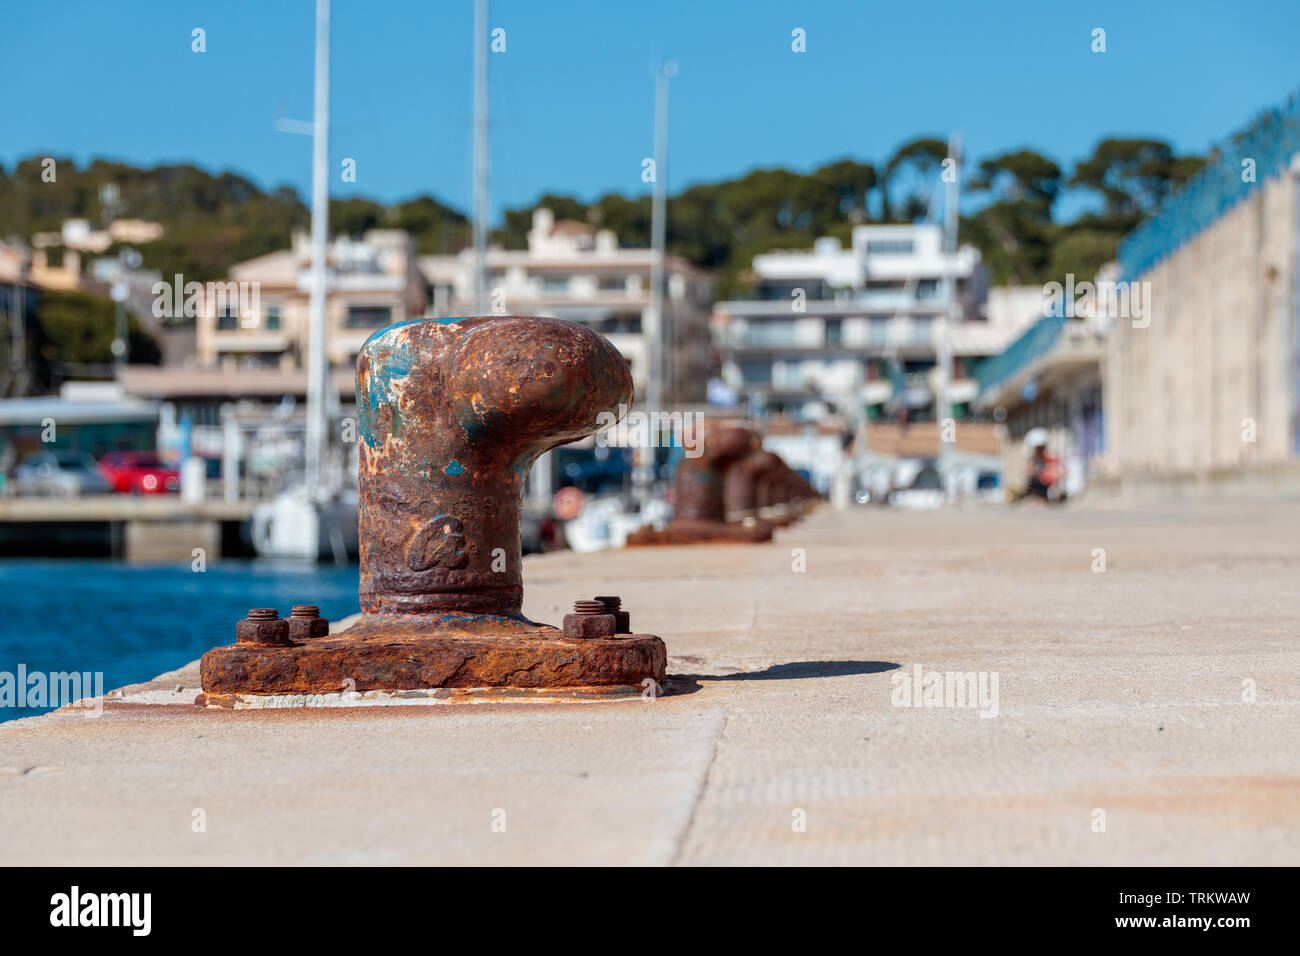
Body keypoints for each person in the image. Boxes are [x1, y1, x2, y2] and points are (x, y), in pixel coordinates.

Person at [1020, 428, 1065, 502]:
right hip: (1037, 485)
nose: (1040, 450)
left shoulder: (1050, 457)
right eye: (1038, 448)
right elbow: (1028, 470)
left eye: (1041, 447)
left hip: (1049, 485)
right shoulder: (1033, 459)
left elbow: (1058, 470)